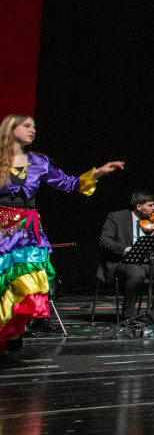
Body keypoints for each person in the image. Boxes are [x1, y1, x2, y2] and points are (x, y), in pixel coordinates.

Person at [1, 114, 122, 356]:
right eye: (26, 126)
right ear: (10, 128)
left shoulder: (39, 162)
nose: (32, 130)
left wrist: (98, 172)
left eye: (34, 126)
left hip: (25, 233)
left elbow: (68, 183)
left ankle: (12, 330)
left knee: (29, 285)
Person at [98, 190, 154, 321]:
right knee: (137, 273)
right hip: (120, 262)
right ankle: (128, 315)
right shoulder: (116, 217)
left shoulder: (151, 222)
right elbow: (105, 240)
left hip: (142, 262)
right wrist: (125, 249)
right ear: (139, 206)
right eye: (150, 205)